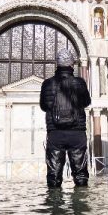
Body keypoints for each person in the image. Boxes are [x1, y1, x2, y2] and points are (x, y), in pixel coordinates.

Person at [39, 48, 92, 188]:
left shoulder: (48, 83)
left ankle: (55, 206)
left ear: (57, 64)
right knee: (80, 174)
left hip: (55, 133)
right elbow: (87, 102)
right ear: (72, 64)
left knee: (54, 175)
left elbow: (44, 106)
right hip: (77, 133)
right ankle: (80, 206)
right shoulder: (80, 82)